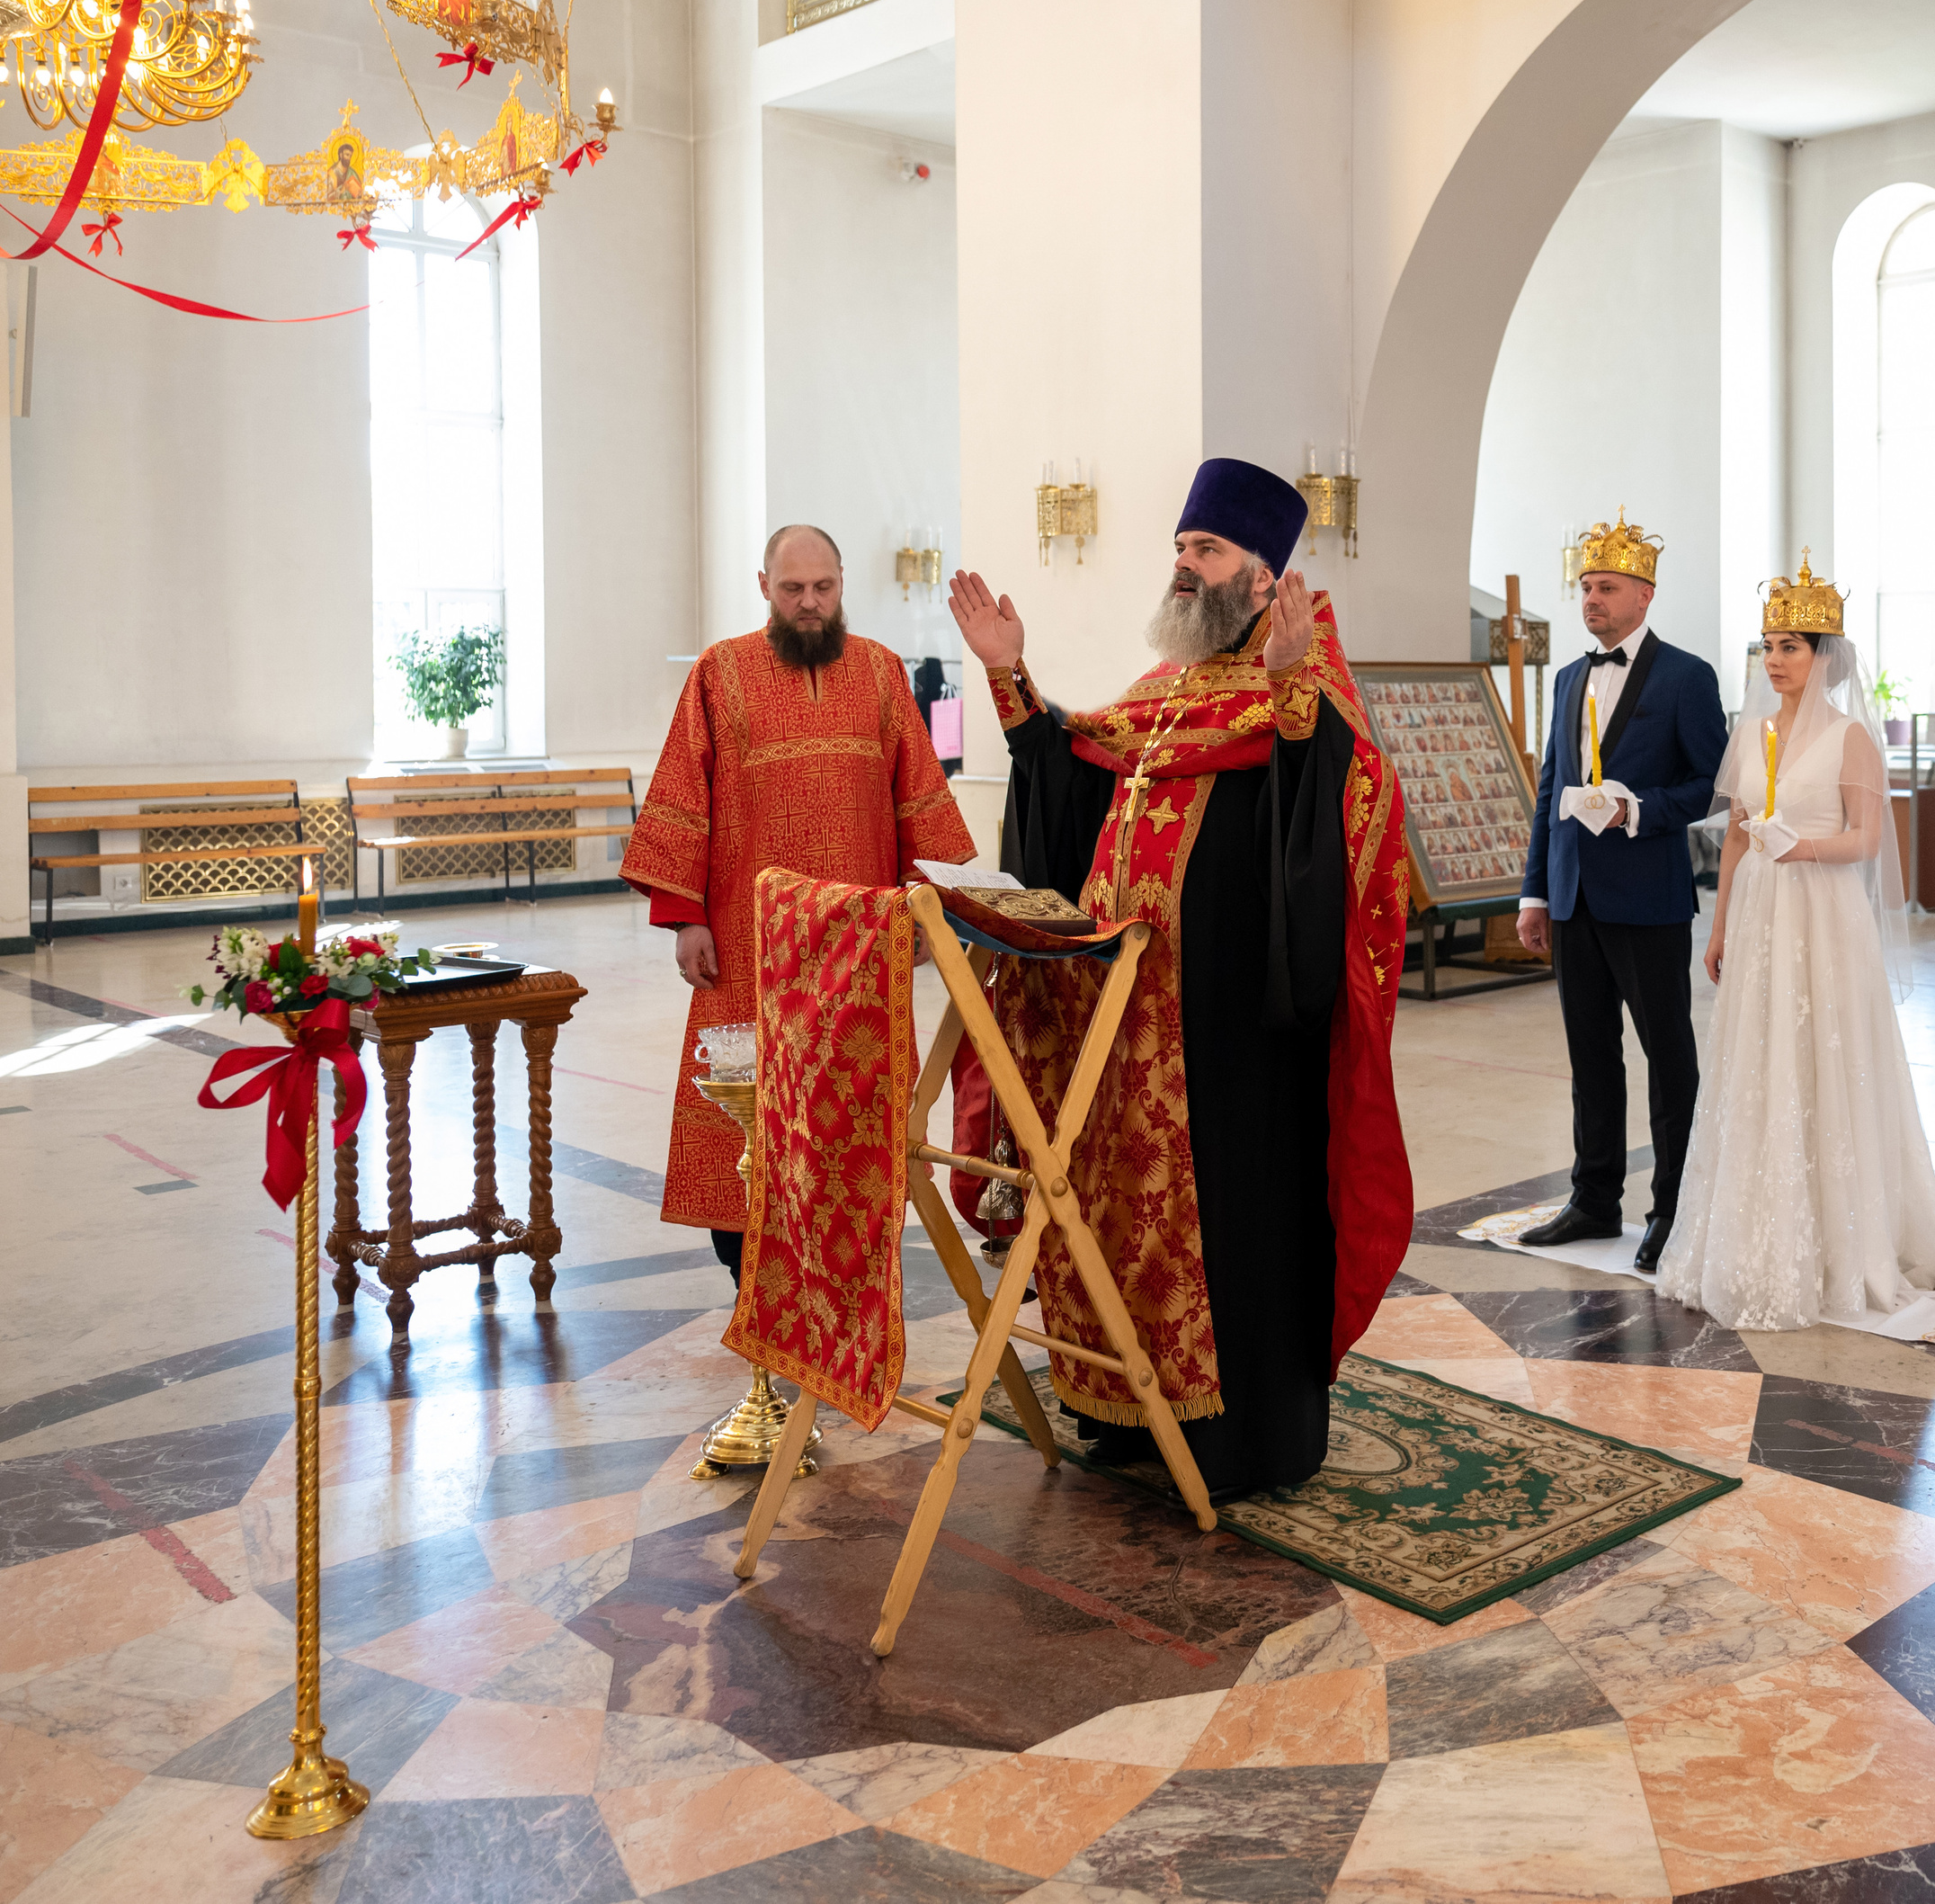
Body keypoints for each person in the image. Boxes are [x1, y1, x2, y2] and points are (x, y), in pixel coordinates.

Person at [947, 457, 1413, 1497]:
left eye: (1204, 552)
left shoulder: (1306, 694)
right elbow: (1076, 782)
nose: (1183, 570)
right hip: (1122, 1023)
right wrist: (1013, 683)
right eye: (1180, 551)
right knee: (1116, 1215)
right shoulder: (1162, 693)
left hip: (1230, 1028)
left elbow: (1337, 821)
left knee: (1233, 1222)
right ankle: (1119, 1406)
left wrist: (1294, 697)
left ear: (1262, 577)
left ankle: (1236, 1437)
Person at [1655, 557, 1935, 1328]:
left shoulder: (1851, 738)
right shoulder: (1749, 734)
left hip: (1822, 911)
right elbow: (1740, 838)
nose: (1774, 660)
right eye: (1767, 646)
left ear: (1824, 656)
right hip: (1758, 909)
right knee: (1758, 1059)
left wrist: (1801, 847)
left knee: (1824, 1055)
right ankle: (1752, 1227)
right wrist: (1717, 928)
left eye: (1789, 646)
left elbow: (1868, 841)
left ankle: (1841, 1233)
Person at [620, 524, 974, 1281]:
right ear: (764, 587)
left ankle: (843, 1269)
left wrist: (940, 905)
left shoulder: (881, 672)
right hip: (751, 944)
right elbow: (685, 794)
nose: (810, 604)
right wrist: (685, 918)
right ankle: (751, 1273)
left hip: (861, 941)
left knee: (852, 1109)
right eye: (793, 590)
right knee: (749, 1110)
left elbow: (920, 799)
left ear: (843, 582)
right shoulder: (720, 672)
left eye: (823, 588)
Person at [1514, 512, 1729, 1273]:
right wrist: (1534, 892)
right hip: (1573, 897)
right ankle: (1593, 1196)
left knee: (1669, 1056)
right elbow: (1550, 790)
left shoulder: (1687, 677)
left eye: (1605, 587)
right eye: (1585, 587)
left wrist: (1643, 810)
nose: (1591, 599)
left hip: (1648, 896)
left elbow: (1713, 785)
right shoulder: (1571, 677)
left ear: (1644, 594)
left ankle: (1674, 1204)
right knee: (1590, 1055)